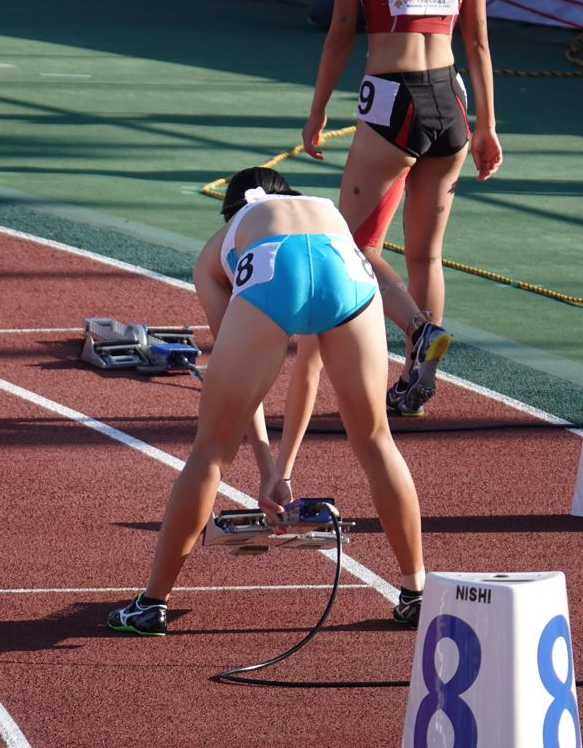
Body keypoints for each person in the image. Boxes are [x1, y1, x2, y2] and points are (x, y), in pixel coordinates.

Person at [107, 167, 426, 636]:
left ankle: (152, 602)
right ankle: (415, 593)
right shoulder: (323, 213)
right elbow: (309, 369)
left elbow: (240, 385)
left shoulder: (216, 249)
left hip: (274, 270)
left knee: (211, 451)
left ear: (230, 209)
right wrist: (284, 469)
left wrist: (265, 468)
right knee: (377, 440)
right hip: (345, 266)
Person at [303, 0, 503, 417]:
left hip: (394, 101)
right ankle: (416, 376)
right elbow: (477, 42)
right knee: (426, 256)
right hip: (450, 103)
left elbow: (340, 32)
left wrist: (317, 109)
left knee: (352, 244)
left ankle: (419, 329)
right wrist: (488, 125)